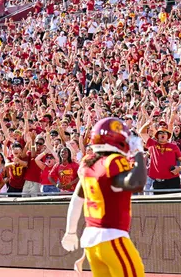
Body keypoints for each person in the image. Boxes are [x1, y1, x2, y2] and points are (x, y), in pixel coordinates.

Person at [61, 117, 146, 276]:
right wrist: (138, 153)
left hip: (91, 242)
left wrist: (71, 232)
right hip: (112, 237)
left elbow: (77, 199)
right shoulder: (113, 161)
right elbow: (137, 182)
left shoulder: (88, 164)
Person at [140, 123, 181, 194]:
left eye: (165, 133)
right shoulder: (152, 144)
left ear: (168, 136)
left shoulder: (174, 147)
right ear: (157, 136)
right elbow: (141, 132)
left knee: (176, 204)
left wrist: (180, 168)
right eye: (160, 133)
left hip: (173, 181)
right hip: (158, 182)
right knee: (159, 204)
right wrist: (147, 123)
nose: (162, 134)